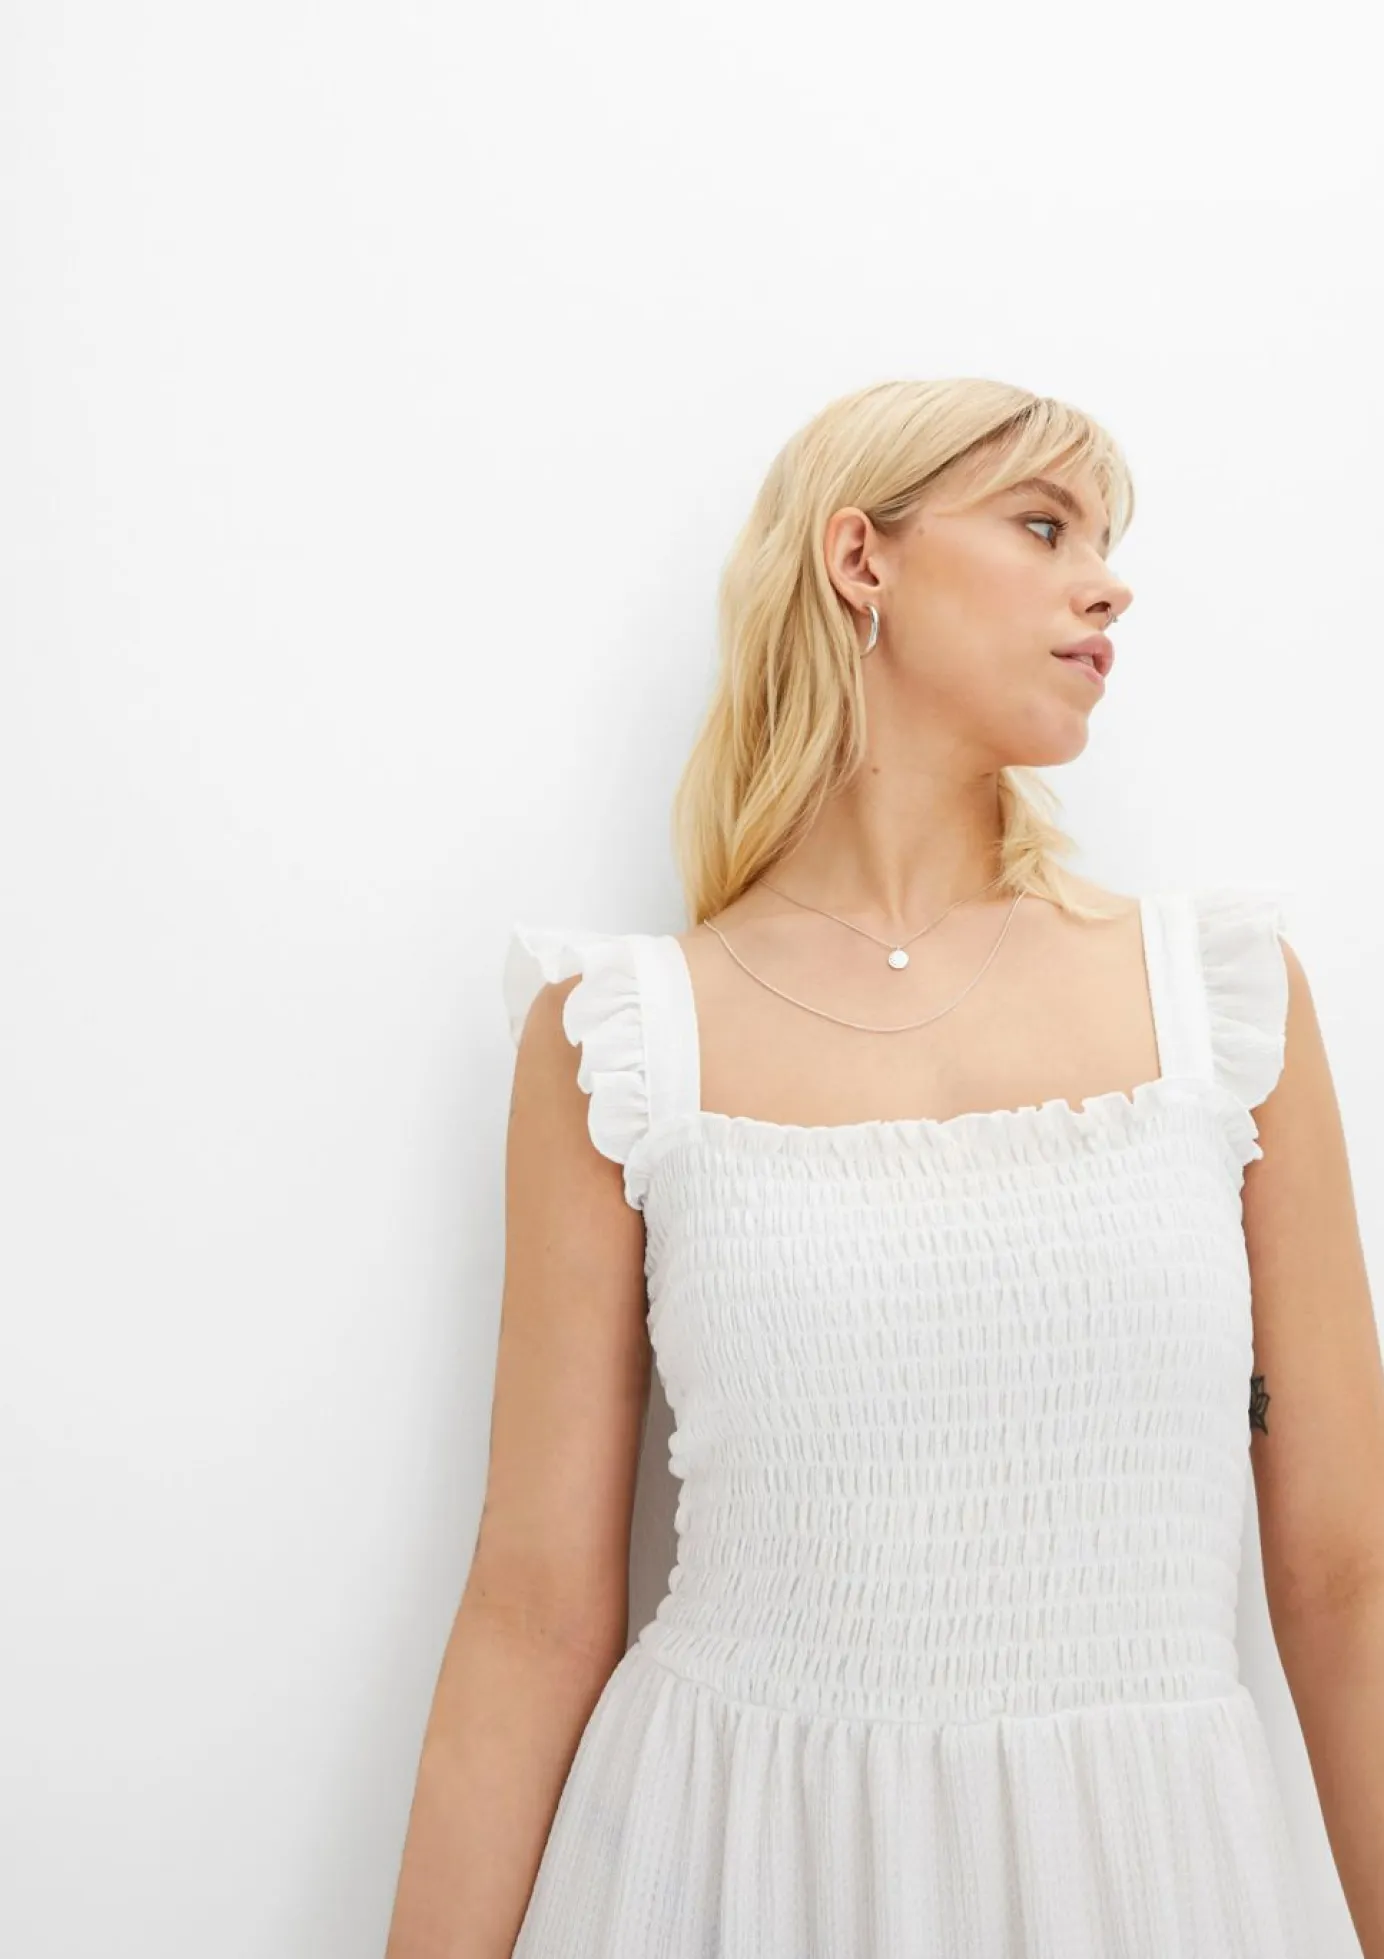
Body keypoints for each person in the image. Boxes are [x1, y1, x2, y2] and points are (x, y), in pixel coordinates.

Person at [385, 377, 1384, 1957]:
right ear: (863, 558)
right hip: (732, 1867)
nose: (1108, 583)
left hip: (1140, 1877)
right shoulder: (627, 1039)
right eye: (1045, 526)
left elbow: (1346, 1577)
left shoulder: (1221, 1002)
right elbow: (533, 1610)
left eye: (1108, 541)